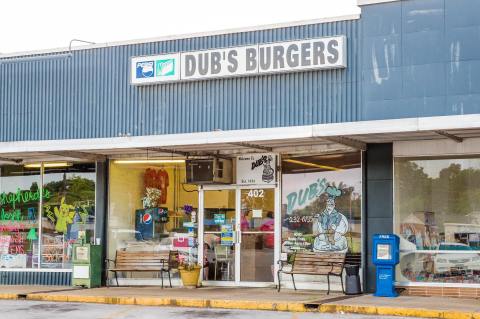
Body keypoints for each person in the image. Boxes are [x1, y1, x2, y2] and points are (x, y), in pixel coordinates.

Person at [313, 186, 349, 252]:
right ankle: (327, 245)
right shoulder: (323, 214)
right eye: (328, 204)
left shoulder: (337, 214)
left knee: (332, 236)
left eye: (331, 205)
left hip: (332, 229)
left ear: (334, 205)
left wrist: (335, 225)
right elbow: (320, 220)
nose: (329, 206)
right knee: (325, 237)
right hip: (325, 229)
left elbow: (338, 219)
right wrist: (318, 217)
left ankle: (332, 244)